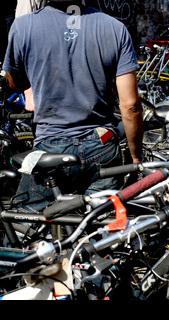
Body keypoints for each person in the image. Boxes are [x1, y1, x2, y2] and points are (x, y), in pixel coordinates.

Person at [3, 0, 144, 211]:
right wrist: (135, 157)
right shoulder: (114, 28)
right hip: (102, 144)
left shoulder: (23, 27)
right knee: (102, 230)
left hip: (50, 144)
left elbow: (14, 81)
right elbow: (130, 106)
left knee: (25, 223)